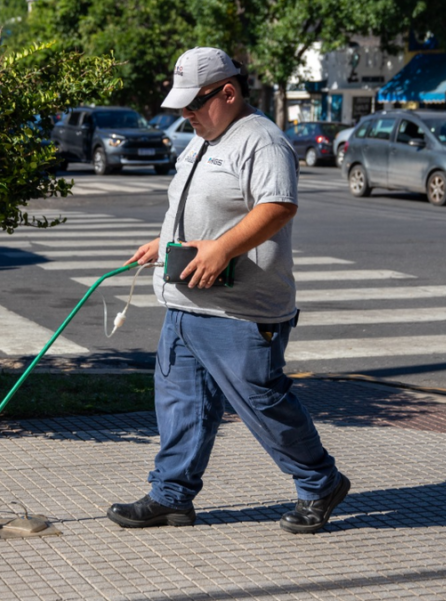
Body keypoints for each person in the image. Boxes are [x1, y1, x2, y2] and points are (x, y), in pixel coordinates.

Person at [107, 47, 350, 535]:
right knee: (180, 405)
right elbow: (198, 205)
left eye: (193, 105)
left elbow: (277, 207)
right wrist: (165, 242)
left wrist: (220, 249)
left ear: (228, 92)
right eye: (180, 108)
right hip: (185, 302)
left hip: (241, 310)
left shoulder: (263, 141)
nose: (186, 115)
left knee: (263, 402)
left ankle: (320, 482)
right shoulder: (200, 140)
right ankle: (171, 496)